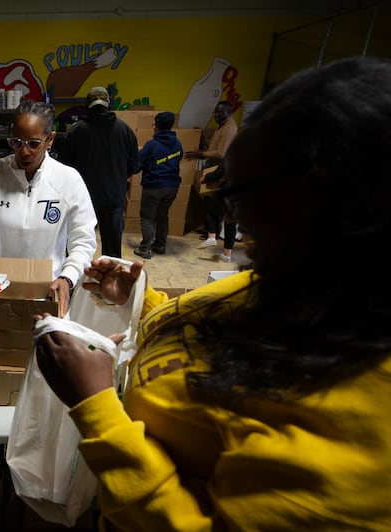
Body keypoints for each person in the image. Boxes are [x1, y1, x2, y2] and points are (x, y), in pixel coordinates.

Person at [34, 56, 391, 530]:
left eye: (237, 195)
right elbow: (218, 321)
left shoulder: (356, 434)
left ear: (327, 199)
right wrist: (145, 303)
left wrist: (96, 408)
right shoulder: (299, 279)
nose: (232, 219)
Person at [0, 99, 97, 317]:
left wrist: (68, 277)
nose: (24, 151)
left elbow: (83, 240)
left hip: (47, 294)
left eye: (33, 143)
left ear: (50, 140)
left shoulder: (68, 181)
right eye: (17, 142)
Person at [61, 86, 139, 258]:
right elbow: (135, 164)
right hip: (114, 195)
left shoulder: (76, 131)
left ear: (87, 105)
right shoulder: (125, 130)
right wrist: (118, 176)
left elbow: (64, 166)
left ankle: (72, 280)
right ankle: (109, 280)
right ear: (107, 104)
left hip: (82, 196)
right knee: (112, 248)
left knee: (77, 243)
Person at [186, 100, 238, 259]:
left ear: (229, 112)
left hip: (224, 176)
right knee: (212, 206)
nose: (216, 115)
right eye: (215, 112)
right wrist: (201, 139)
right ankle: (214, 240)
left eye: (220, 113)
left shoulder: (230, 128)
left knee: (225, 214)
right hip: (220, 174)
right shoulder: (222, 127)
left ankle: (215, 240)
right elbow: (214, 147)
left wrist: (201, 155)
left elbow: (221, 154)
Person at [133, 111, 182, 260]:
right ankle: (160, 244)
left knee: (147, 217)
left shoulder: (152, 145)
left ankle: (145, 248)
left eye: (154, 123)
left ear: (157, 126)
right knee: (162, 215)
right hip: (172, 186)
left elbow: (138, 165)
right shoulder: (177, 143)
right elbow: (179, 158)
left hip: (154, 186)